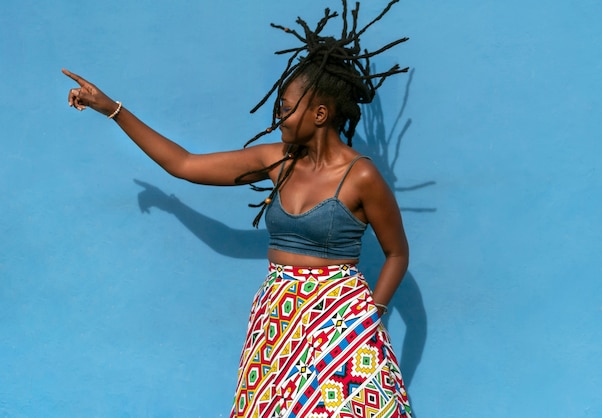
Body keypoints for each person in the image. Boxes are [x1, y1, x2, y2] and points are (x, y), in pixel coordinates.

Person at [64, 1, 412, 416]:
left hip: (342, 318)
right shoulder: (275, 159)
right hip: (279, 316)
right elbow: (185, 164)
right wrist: (113, 109)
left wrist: (370, 315)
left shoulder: (362, 177)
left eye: (286, 107)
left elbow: (397, 253)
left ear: (320, 113)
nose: (279, 116)